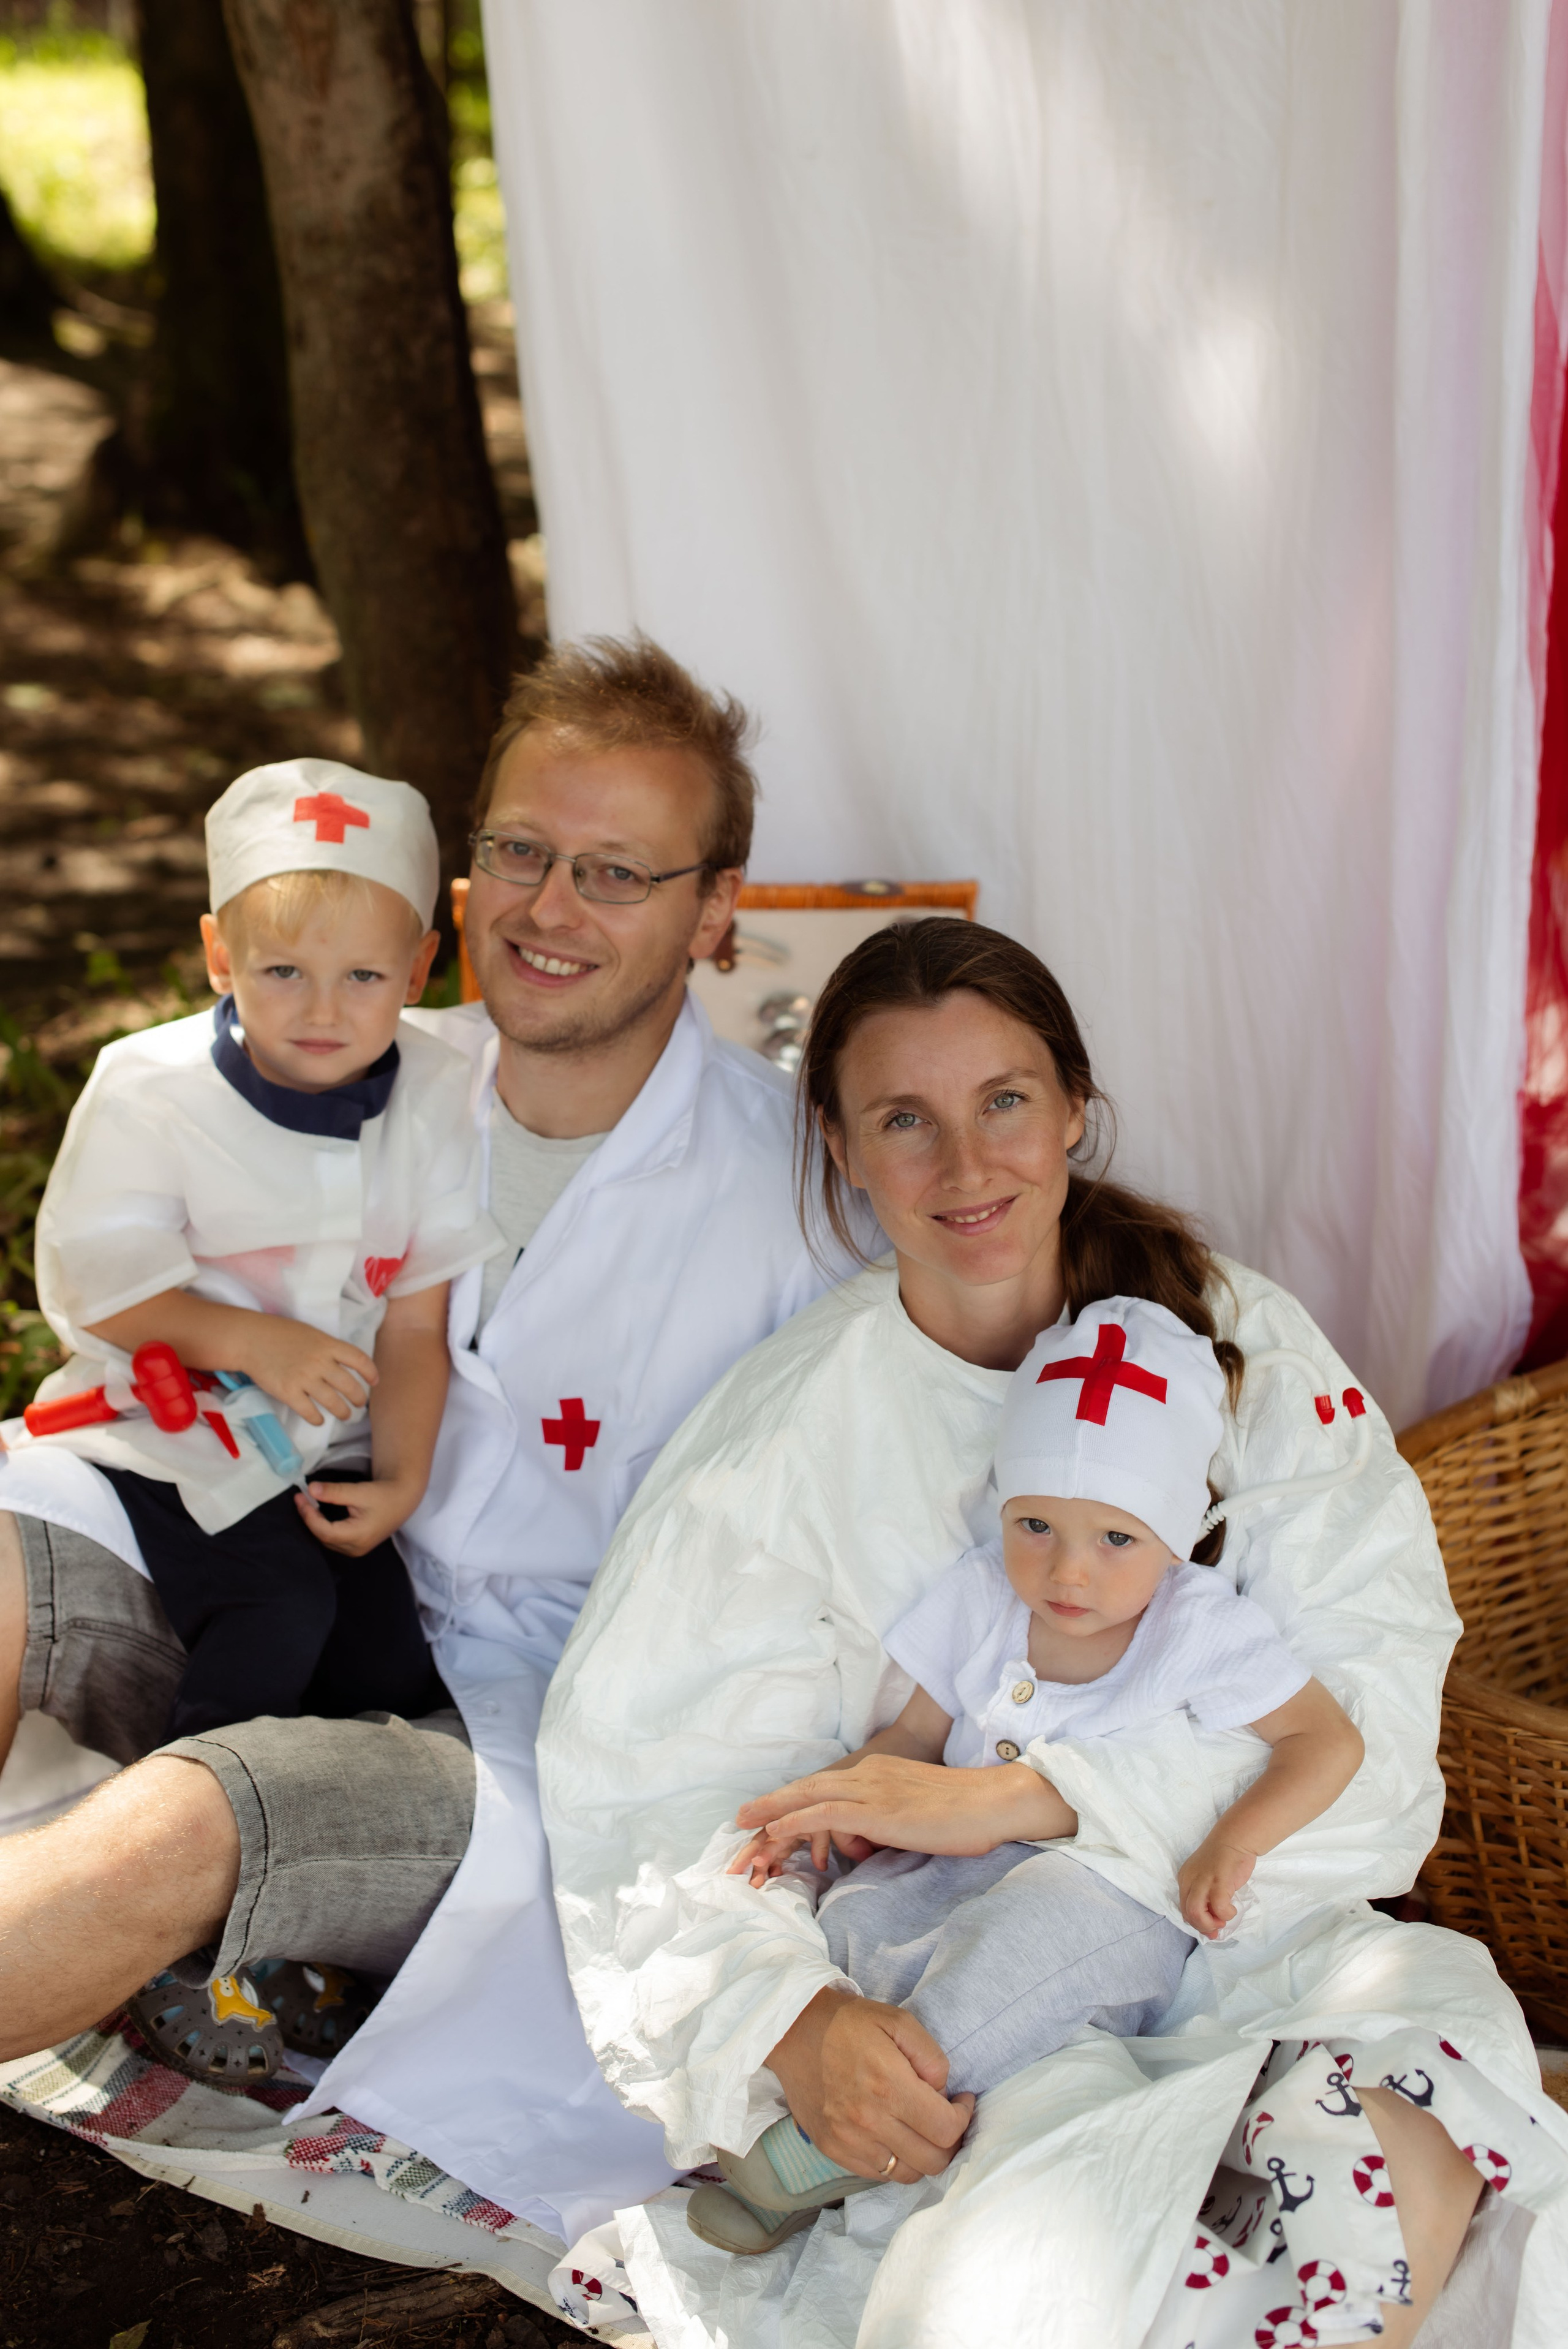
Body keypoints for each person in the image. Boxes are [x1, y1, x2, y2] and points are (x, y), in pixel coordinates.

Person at [538, 915, 1565, 2348]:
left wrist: (1022, 1800)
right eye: (905, 1118)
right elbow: (651, 1791)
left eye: (1003, 1102)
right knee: (1032, 2280)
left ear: (1073, 1108)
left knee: (1391, 2161)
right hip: (958, 2001)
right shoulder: (782, 1445)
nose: (966, 1168)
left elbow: (1371, 1745)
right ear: (836, 1143)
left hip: (1256, 1951)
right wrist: (794, 2024)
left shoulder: (1239, 1358)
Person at [0, 635, 853, 2240]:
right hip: (271, 1557)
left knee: (197, 1812)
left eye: (616, 870)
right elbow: (140, 1318)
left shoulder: (810, 1206)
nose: (549, 904)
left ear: (716, 908)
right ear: (461, 876)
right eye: (522, 851)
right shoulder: (355, 1062)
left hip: (522, 1718)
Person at [699, 1297, 1365, 2254]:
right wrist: (830, 1800)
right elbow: (916, 1735)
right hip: (951, 1866)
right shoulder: (983, 1594)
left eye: (1116, 1540)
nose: (1068, 1574)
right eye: (1037, 1524)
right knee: (857, 1915)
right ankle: (840, 2082)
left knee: (1026, 1962)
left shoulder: (1197, 1626)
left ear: (1177, 1534)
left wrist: (1233, 1841)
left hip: (1098, 1885)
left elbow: (1326, 1741)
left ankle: (813, 2161)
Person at [18, 760, 498, 1760]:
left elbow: (416, 1318)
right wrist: (252, 1340)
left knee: (388, 1669)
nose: (323, 1011)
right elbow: (100, 1285)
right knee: (274, 1610)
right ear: (218, 955)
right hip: (180, 1430)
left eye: (364, 977)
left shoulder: (441, 1093)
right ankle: (177, 1826)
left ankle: (317, 1826)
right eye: (283, 970)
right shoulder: (150, 1089)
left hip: (331, 1447)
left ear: (418, 969)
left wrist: (403, 1478)